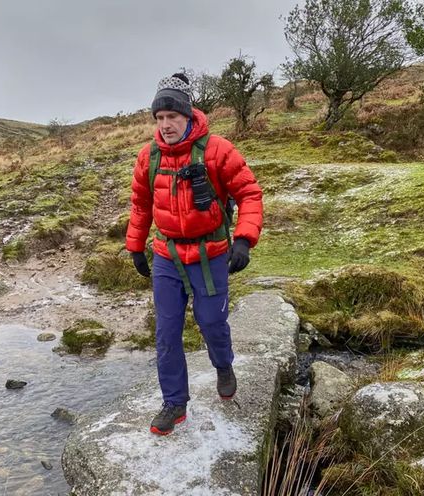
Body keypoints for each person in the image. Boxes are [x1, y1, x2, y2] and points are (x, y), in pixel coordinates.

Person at [126, 73, 263, 436]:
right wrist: (135, 246)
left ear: (188, 116)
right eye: (159, 117)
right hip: (167, 255)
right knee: (167, 332)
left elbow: (249, 193)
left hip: (211, 253)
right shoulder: (148, 156)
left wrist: (244, 240)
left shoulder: (218, 150)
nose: (166, 125)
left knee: (211, 322)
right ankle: (174, 403)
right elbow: (140, 205)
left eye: (172, 116)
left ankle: (223, 365)